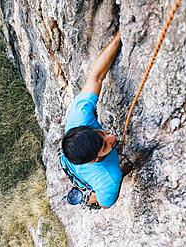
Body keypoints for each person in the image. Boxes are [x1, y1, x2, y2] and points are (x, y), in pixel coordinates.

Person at [61, 31, 132, 209]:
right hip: (89, 177)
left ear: (86, 128)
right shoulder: (109, 178)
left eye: (102, 134)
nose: (112, 138)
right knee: (93, 198)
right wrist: (96, 197)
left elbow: (96, 76)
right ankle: (87, 198)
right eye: (105, 146)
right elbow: (105, 204)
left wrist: (122, 34)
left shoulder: (80, 116)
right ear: (94, 159)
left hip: (70, 161)